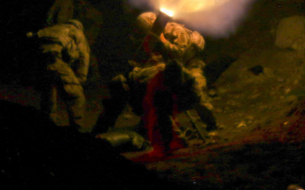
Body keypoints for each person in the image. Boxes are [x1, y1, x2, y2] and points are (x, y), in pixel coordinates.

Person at [92, 12, 217, 156]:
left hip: (189, 65)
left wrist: (162, 40)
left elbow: (179, 54)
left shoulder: (176, 31)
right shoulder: (153, 35)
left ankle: (211, 127)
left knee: (197, 90)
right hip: (171, 67)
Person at [26, 19, 89, 131]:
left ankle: (49, 128)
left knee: (49, 94)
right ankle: (78, 131)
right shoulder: (77, 32)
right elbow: (83, 58)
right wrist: (80, 79)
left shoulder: (52, 28)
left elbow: (31, 38)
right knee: (76, 96)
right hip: (55, 59)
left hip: (39, 62)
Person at [46, 0, 103, 77]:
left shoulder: (78, 5)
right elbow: (57, 17)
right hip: (59, 31)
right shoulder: (66, 1)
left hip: (66, 31)